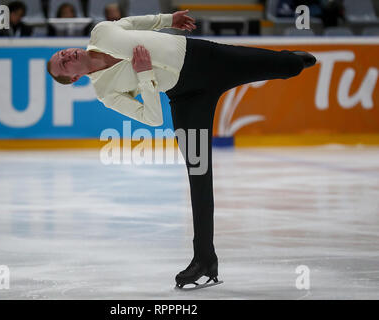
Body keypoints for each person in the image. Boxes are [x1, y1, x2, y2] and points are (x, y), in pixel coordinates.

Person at [46, 11, 316, 289]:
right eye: (63, 65)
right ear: (74, 78)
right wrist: (144, 75)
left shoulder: (101, 32)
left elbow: (136, 22)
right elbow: (152, 117)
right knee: (199, 176)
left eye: (62, 54)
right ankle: (204, 259)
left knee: (283, 65)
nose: (65, 57)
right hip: (186, 98)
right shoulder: (105, 92)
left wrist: (167, 20)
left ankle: (291, 61)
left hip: (203, 57)